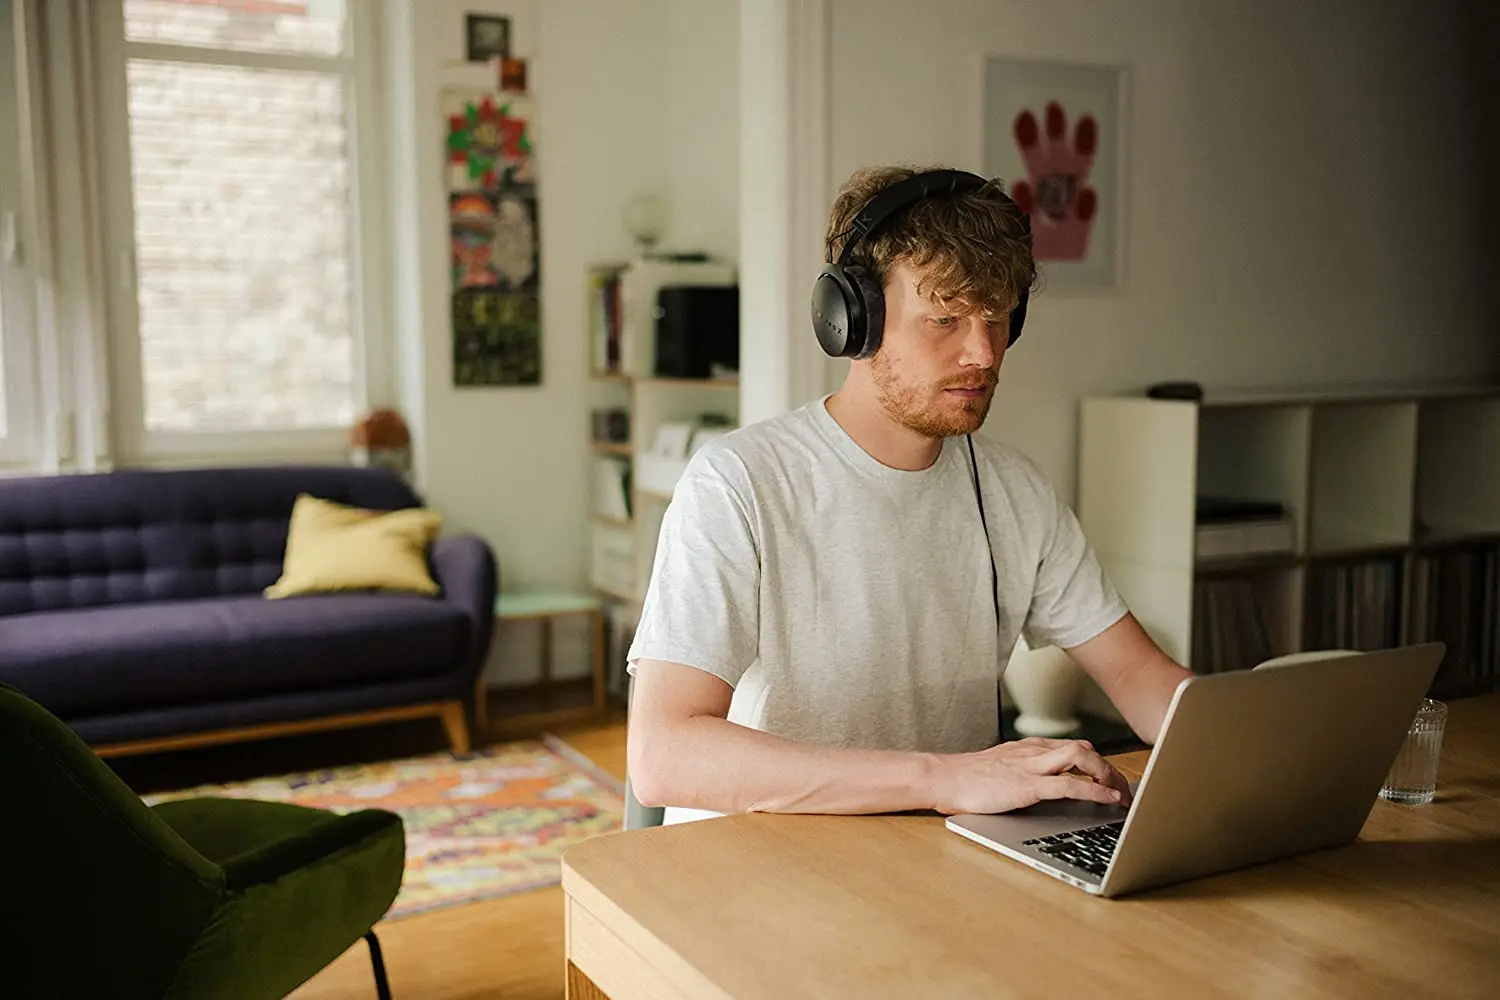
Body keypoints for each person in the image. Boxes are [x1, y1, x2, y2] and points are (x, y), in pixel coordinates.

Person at [625, 164, 1194, 825]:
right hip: (765, 868)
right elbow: (665, 756)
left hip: (936, 862)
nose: (983, 352)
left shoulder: (1015, 492)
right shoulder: (738, 485)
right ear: (852, 319)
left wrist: (1246, 749)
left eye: (998, 318)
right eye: (945, 319)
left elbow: (1135, 675)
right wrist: (942, 778)